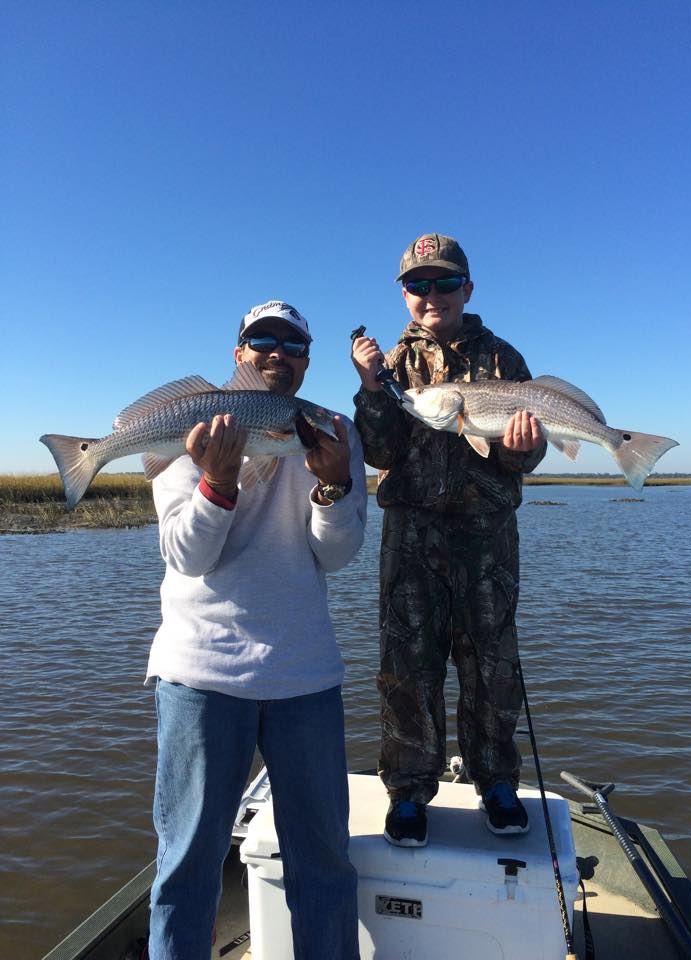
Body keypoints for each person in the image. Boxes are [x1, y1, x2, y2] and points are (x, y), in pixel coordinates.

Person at [146, 300, 367, 960]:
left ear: (306, 360)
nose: (278, 351)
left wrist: (331, 487)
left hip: (305, 676)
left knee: (324, 862)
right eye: (262, 339)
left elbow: (338, 554)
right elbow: (187, 556)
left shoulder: (335, 430)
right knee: (187, 865)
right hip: (201, 674)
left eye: (293, 343)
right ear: (239, 352)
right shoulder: (197, 423)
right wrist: (218, 480)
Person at [351, 234, 546, 847]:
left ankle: (496, 782)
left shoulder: (505, 360)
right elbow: (379, 452)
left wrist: (527, 449)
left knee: (492, 664)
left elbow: (526, 457)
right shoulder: (391, 367)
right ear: (404, 294)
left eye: (443, 282)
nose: (430, 295)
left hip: (488, 537)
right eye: (418, 285)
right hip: (409, 536)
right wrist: (369, 387)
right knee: (407, 667)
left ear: (467, 288)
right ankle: (409, 791)